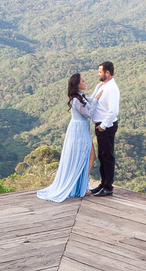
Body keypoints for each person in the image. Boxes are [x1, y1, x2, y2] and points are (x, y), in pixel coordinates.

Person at [36, 73, 101, 203]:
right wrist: (97, 99)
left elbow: (90, 100)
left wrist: (98, 90)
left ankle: (83, 186)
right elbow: (87, 113)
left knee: (89, 156)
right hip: (78, 132)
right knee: (86, 156)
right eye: (83, 80)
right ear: (77, 84)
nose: (85, 81)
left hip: (82, 130)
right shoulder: (75, 99)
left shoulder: (80, 97)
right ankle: (82, 188)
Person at [90, 61, 119, 197]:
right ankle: (103, 184)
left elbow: (113, 111)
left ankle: (108, 187)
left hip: (106, 126)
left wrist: (102, 126)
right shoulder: (104, 86)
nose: (98, 74)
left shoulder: (112, 89)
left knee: (107, 156)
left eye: (100, 72)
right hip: (101, 126)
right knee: (102, 155)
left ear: (107, 73)